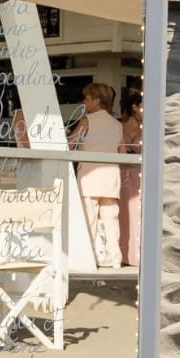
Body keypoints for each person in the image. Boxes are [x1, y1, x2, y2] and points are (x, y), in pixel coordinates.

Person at [68, 82, 123, 270]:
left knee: (88, 221)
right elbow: (121, 151)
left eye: (87, 98)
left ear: (97, 101)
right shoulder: (117, 125)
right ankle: (116, 259)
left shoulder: (87, 121)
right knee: (112, 222)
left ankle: (87, 259)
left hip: (90, 178)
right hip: (111, 178)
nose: (85, 102)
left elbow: (71, 143)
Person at [118, 89, 143, 269]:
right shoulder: (121, 125)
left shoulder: (151, 124)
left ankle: (139, 253)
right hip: (125, 173)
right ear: (135, 107)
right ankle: (126, 254)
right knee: (126, 213)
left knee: (140, 213)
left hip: (142, 173)